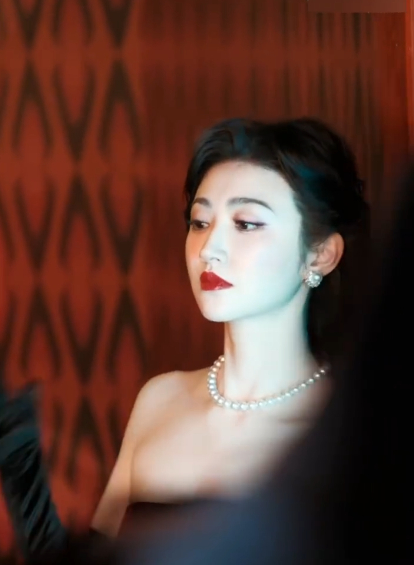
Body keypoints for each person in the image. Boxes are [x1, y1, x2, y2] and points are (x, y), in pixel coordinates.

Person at [0, 117, 369, 559]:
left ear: (321, 253)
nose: (209, 248)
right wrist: (21, 468)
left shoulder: (344, 432)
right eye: (200, 222)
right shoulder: (159, 400)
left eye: (246, 223)